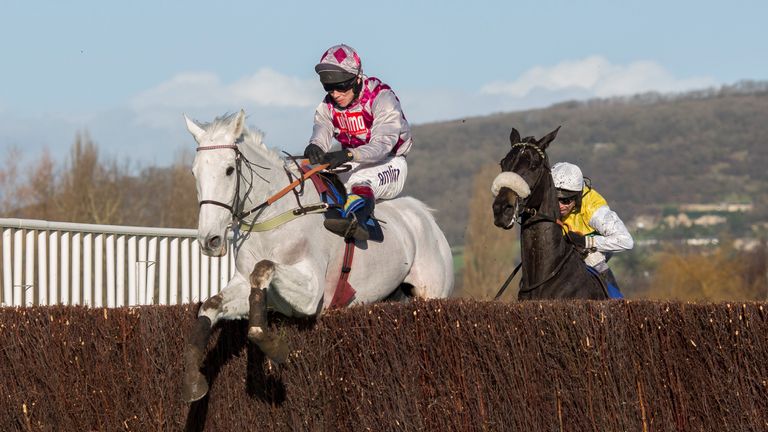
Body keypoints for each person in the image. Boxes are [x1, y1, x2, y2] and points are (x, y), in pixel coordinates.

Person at [303, 44, 412, 241]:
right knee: (316, 175)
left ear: (357, 79)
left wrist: (349, 154)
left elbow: (382, 146)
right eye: (328, 87)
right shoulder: (327, 106)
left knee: (360, 180)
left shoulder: (381, 97)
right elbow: (322, 129)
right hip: (354, 161)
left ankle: (359, 223)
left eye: (341, 86)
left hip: (390, 161)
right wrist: (315, 147)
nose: (335, 94)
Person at [551, 162, 634, 297]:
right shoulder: (546, 200)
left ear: (577, 197)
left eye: (565, 201)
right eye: (555, 199)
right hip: (559, 248)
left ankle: (617, 301)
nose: (560, 206)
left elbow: (626, 241)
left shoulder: (594, 208)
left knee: (593, 258)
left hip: (591, 251)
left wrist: (586, 241)